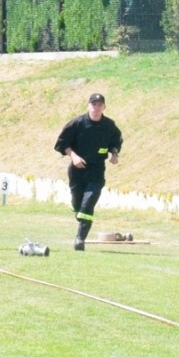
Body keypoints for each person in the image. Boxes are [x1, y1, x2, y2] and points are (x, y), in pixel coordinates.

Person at [55, 93, 123, 251]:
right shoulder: (77, 123)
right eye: (93, 104)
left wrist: (114, 154)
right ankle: (77, 209)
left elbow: (115, 141)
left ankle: (80, 239)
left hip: (96, 170)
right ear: (88, 106)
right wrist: (74, 157)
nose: (96, 108)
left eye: (99, 105)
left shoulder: (109, 125)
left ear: (104, 107)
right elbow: (62, 143)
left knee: (88, 204)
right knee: (78, 204)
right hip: (77, 170)